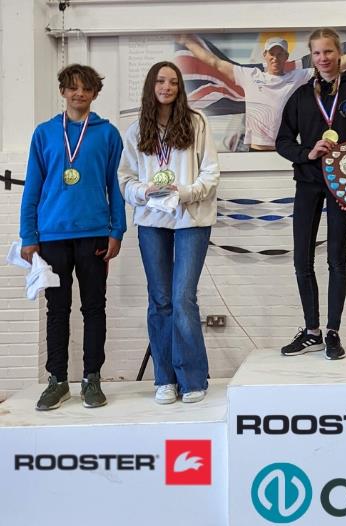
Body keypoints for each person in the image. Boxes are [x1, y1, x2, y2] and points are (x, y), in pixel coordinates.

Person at [20, 64, 126, 411]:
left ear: (95, 93)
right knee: (56, 310)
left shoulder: (108, 134)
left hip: (94, 233)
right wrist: (28, 235)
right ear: (63, 91)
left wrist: (117, 229)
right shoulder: (44, 133)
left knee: (94, 307)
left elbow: (116, 185)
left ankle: (92, 378)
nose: (79, 94)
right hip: (51, 235)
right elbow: (32, 188)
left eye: (86, 89)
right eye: (73, 88)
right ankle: (58, 380)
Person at [118, 61, 220, 404]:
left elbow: (211, 173)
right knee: (159, 300)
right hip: (151, 221)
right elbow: (125, 180)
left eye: (173, 82)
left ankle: (192, 378)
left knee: (182, 298)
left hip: (190, 219)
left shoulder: (197, 123)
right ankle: (164, 379)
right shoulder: (135, 132)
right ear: (151, 86)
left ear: (180, 88)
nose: (167, 86)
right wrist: (143, 192)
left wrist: (185, 193)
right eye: (161, 81)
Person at [275, 28, 346, 360]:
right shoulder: (302, 95)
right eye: (317, 53)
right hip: (307, 181)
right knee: (301, 258)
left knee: (336, 259)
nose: (323, 58)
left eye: (329, 52)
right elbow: (283, 141)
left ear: (339, 53)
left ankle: (332, 332)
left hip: (341, 187)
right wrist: (308, 152)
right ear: (311, 56)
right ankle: (311, 331)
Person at [180, 33, 346, 151]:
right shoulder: (248, 75)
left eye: (280, 53)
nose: (275, 57)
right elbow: (213, 62)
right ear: (265, 55)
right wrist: (188, 42)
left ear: (286, 56)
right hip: (255, 151)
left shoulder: (298, 76)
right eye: (271, 53)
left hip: (285, 150)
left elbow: (338, 64)